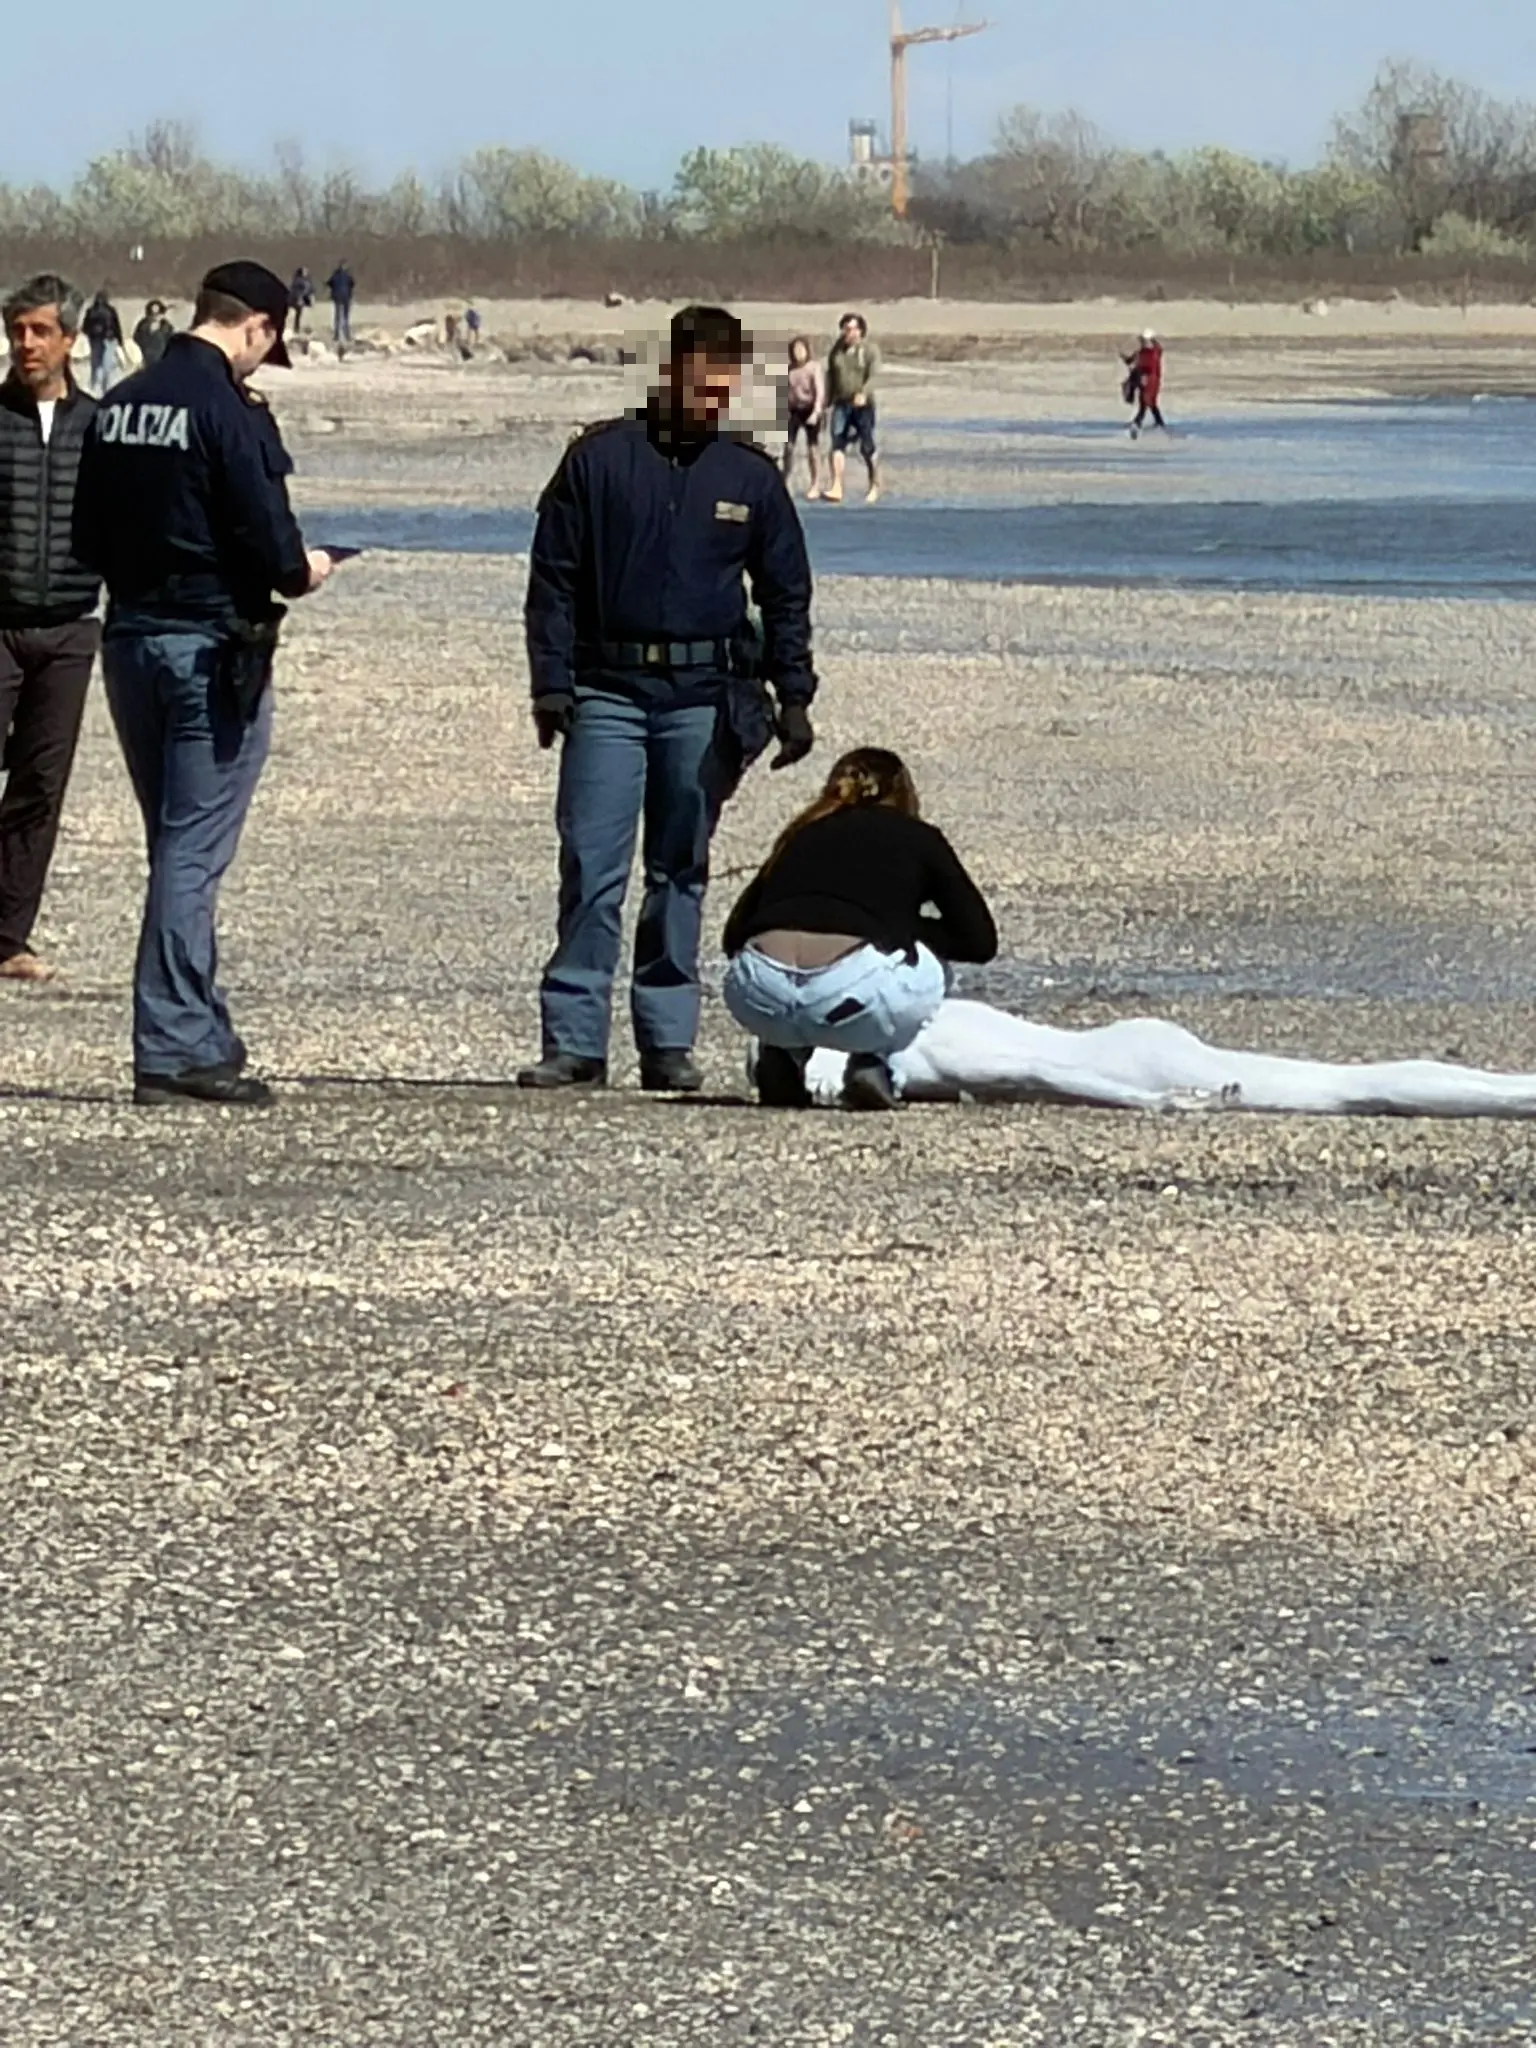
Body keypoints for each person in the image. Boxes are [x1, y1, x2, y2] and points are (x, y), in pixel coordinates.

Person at [522, 301, 817, 1094]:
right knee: (592, 864)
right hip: (606, 693)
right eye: (701, 382)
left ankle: (667, 1041)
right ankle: (575, 1041)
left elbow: (787, 591)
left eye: (725, 387)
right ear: (674, 369)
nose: (711, 399)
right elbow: (551, 578)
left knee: (679, 869)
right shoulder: (598, 460)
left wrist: (794, 694)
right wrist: (549, 684)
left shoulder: (747, 477)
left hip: (701, 698)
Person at [72, 260, 337, 1106]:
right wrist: (309, 570)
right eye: (269, 344)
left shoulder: (118, 408)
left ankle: (200, 1024)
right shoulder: (228, 410)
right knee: (192, 851)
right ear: (257, 326)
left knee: (175, 845)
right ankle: (173, 1046)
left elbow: (85, 539)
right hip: (212, 649)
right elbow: (273, 548)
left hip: (129, 639)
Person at [722, 747, 997, 1110]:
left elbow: (734, 935)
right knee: (931, 966)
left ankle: (782, 1053)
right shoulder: (918, 837)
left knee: (796, 964)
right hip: (851, 994)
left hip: (756, 993)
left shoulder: (801, 834)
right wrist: (904, 927)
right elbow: (979, 941)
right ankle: (876, 1063)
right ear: (904, 792)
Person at [0, 275, 100, 984]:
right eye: (16, 331)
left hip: (68, 629)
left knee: (39, 785)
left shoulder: (97, 425)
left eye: (39, 331)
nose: (26, 345)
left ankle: (7, 937)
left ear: (70, 339)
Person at [825, 311, 880, 505]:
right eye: (846, 329)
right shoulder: (836, 352)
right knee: (837, 443)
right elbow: (830, 376)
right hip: (841, 403)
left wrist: (864, 393)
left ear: (861, 331)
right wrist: (826, 401)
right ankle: (836, 486)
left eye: (854, 329)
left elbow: (875, 375)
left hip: (863, 405)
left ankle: (874, 484)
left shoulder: (869, 350)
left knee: (866, 446)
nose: (850, 333)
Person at [783, 336, 827, 500]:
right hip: (794, 410)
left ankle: (815, 483)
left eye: (801, 349)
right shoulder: (789, 370)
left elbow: (820, 392)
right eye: (795, 350)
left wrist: (816, 413)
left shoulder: (813, 368)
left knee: (812, 447)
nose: (798, 353)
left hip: (810, 409)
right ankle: (785, 481)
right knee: (788, 446)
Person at [1123, 329, 1166, 437]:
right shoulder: (1146, 352)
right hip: (1148, 380)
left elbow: (1147, 367)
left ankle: (1137, 424)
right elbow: (1131, 361)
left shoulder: (1151, 353)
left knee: (1145, 403)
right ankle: (1159, 423)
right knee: (1150, 403)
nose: (1141, 342)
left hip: (1149, 381)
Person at [81, 289, 124, 397]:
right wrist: (120, 340)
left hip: (98, 340)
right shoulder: (110, 311)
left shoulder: (91, 311)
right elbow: (116, 326)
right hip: (107, 340)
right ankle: (102, 388)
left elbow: (84, 327)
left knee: (97, 364)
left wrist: (91, 333)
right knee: (105, 365)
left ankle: (95, 386)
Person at [131, 299, 174, 370]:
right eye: (152, 315)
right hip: (144, 362)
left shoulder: (167, 327)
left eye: (158, 314)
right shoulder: (142, 325)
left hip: (161, 363)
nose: (155, 317)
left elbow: (172, 345)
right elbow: (136, 342)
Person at [326, 262, 355, 347]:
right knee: (345, 317)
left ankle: (337, 335)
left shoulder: (335, 275)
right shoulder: (348, 276)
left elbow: (329, 283)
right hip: (346, 297)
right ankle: (346, 334)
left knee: (338, 317)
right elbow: (353, 284)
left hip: (337, 297)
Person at [288, 266, 315, 335]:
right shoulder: (299, 281)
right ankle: (296, 329)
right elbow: (296, 291)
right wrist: (299, 298)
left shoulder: (306, 281)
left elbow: (310, 290)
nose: (306, 273)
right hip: (298, 299)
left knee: (299, 315)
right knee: (298, 315)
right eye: (305, 271)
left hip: (303, 299)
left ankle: (298, 328)